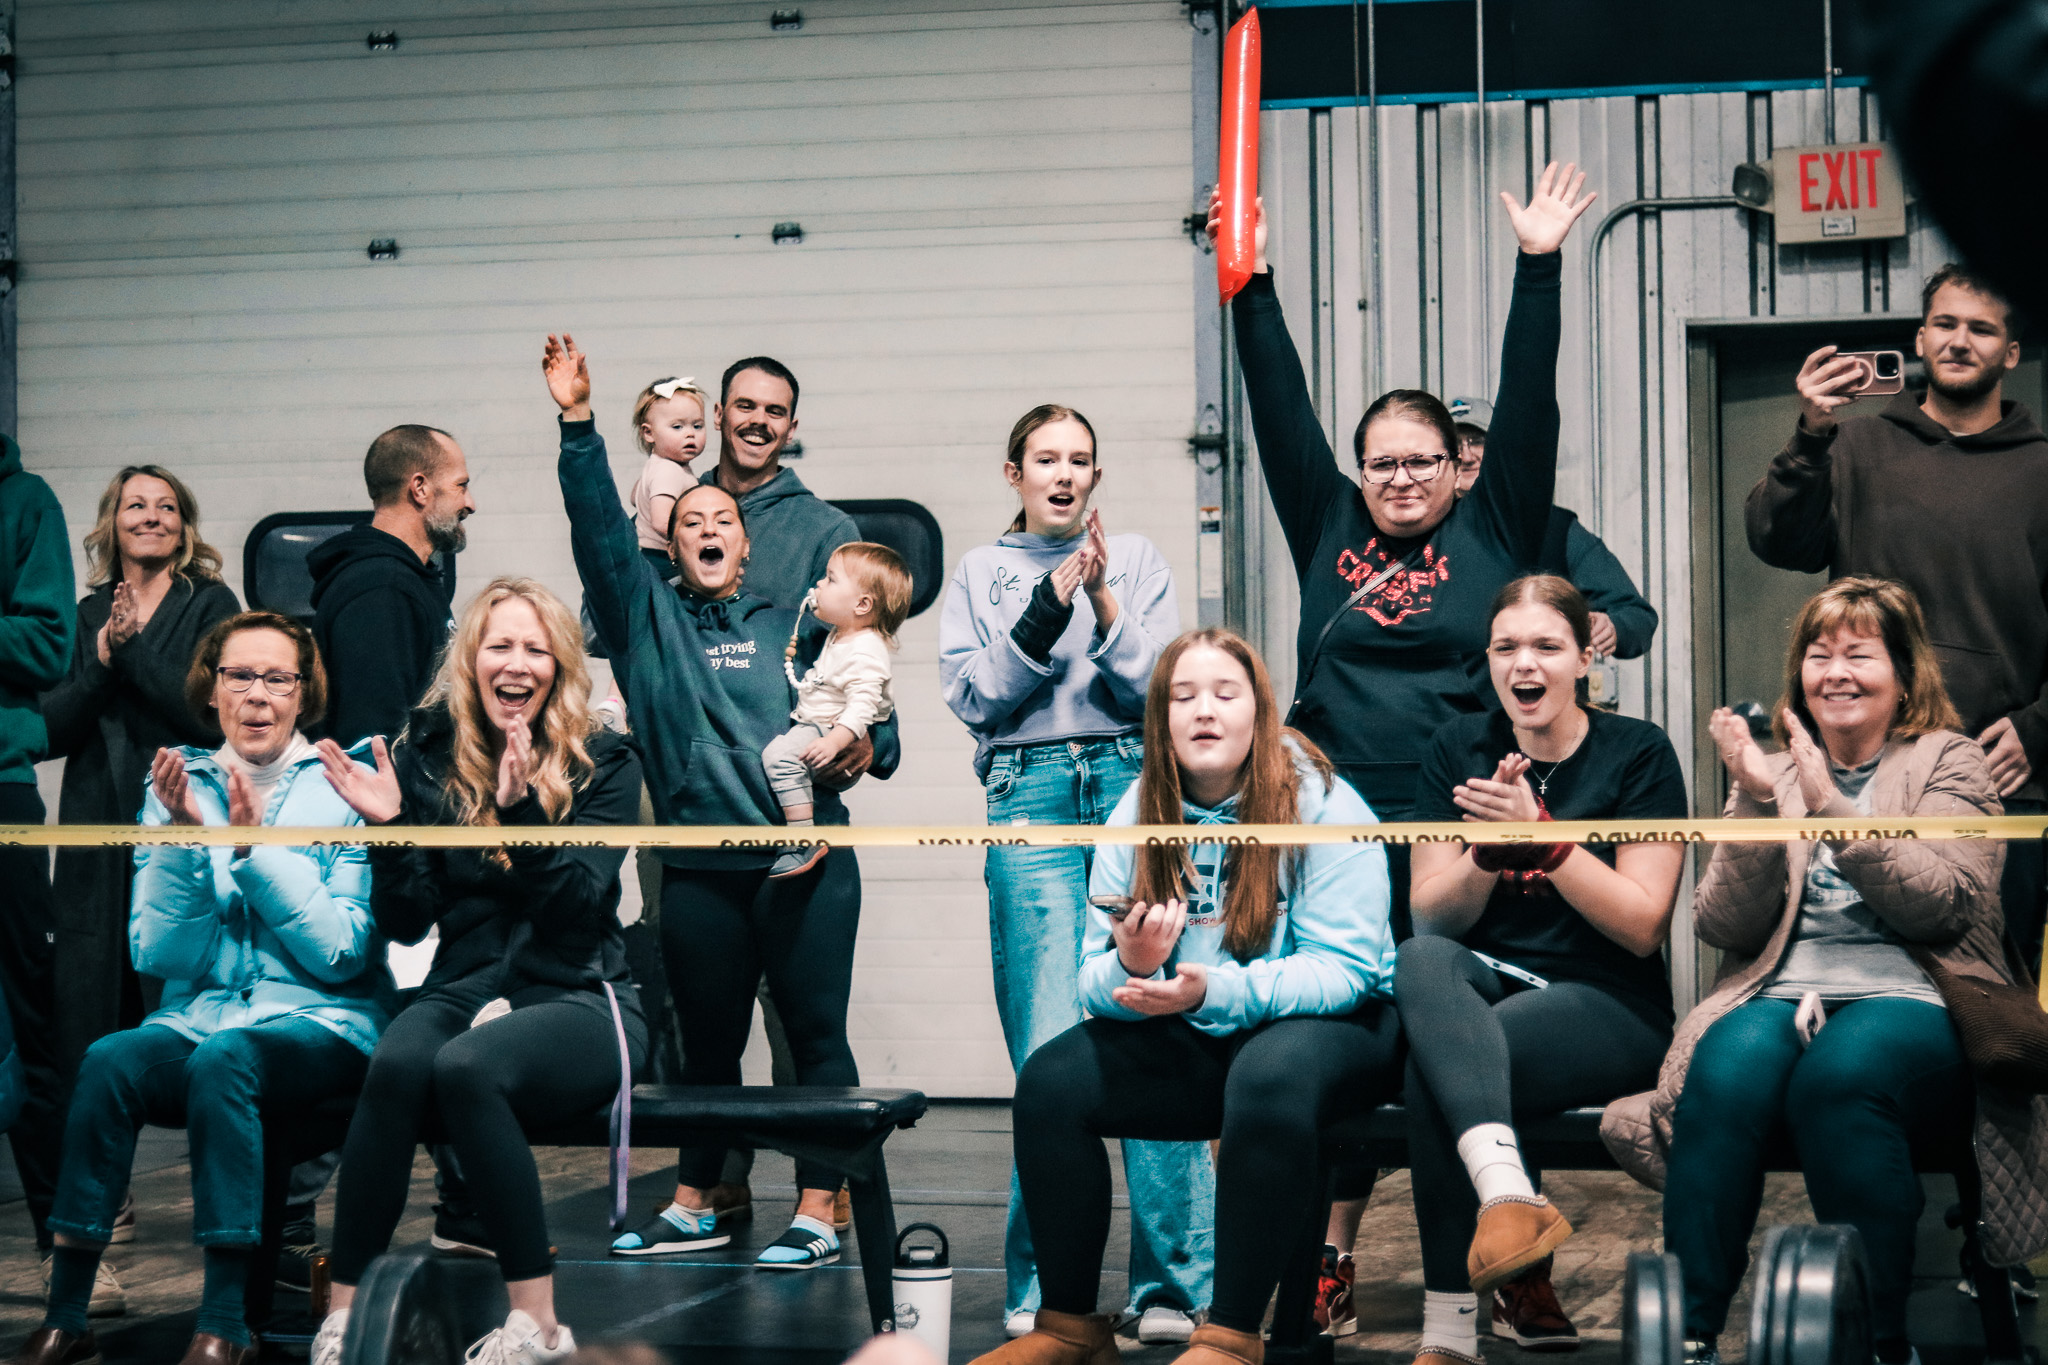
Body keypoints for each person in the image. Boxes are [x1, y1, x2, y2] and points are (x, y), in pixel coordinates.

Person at [1212, 162, 1596, 1324]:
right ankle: (1325, 1265)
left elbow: (1528, 400)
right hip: (1329, 838)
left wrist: (1538, 267)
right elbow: (1276, 401)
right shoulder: (1324, 519)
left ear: (1454, 467)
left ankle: (1509, 1266)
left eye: (1418, 459)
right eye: (1378, 461)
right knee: (1338, 1044)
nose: (1396, 478)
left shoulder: (1496, 522)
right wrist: (1248, 280)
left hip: (1458, 832)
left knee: (1453, 1050)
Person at [1602, 576, 2048, 1365]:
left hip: (1916, 992)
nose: (1836, 672)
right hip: (1783, 988)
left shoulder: (1950, 760)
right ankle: (1691, 1334)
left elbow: (1946, 905)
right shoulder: (1774, 769)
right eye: (1819, 655)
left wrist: (1832, 810)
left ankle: (1877, 1342)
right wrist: (1752, 797)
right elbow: (1722, 924)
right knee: (1723, 1067)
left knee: (1840, 1076)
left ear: (1904, 674)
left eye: (1858, 654)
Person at [546, 334, 893, 1272]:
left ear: (745, 543)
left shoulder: (797, 623)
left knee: (815, 1036)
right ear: (675, 538)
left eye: (723, 521)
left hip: (804, 867)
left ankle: (818, 1207)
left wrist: (867, 743)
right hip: (699, 867)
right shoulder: (647, 617)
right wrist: (578, 423)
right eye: (691, 518)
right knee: (705, 1045)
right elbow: (596, 531)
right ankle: (696, 1201)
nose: (707, 526)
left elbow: (871, 699)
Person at [969, 627, 1400, 1365]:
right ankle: (1068, 1326)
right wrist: (1132, 964)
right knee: (1050, 1083)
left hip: (1337, 1025)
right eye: (1183, 696)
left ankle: (1231, 1333)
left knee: (1265, 1072)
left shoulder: (1323, 801)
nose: (1204, 710)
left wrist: (1210, 992)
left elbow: (1346, 970)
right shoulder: (1139, 808)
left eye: (1225, 694)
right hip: (1204, 1023)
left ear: (1258, 710)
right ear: (1159, 717)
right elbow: (1091, 980)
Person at [10, 612, 388, 1365]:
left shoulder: (343, 784)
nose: (257, 694)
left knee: (227, 1061)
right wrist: (185, 839)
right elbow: (159, 950)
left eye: (277, 678)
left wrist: (251, 851)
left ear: (303, 693)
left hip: (324, 1020)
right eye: (239, 675)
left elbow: (343, 952)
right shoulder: (177, 782)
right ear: (212, 690)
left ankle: (224, 1323)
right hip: (202, 1016)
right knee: (109, 1060)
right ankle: (68, 1312)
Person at [312, 578, 646, 1365]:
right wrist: (391, 829)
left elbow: (575, 906)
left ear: (560, 667)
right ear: (472, 659)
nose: (517, 662)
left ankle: (539, 1323)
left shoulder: (607, 760)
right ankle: (345, 1315)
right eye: (501, 645)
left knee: (466, 1066)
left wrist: (523, 809)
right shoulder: (427, 755)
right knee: (397, 1060)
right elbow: (407, 921)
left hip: (580, 989)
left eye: (536, 648)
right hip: (465, 983)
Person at [938, 405, 1212, 1343]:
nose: (1064, 473)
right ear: (1012, 472)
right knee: (1050, 1047)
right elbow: (975, 696)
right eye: (1046, 458)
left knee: (1158, 1019)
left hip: (1135, 778)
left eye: (1080, 459)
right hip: (1031, 789)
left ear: (1096, 475)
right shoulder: (981, 570)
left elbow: (1160, 693)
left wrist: (1102, 601)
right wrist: (1046, 606)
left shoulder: (1133, 558)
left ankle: (1173, 1288)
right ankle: (1049, 1291)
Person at [1401, 576, 1687, 1362]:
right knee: (1421, 959)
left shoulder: (1638, 751)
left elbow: (1642, 925)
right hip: (1484, 980)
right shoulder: (1456, 748)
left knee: (1438, 1065)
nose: (1524, 663)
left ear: (1585, 658)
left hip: (1608, 1000)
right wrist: (1487, 854)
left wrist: (1546, 837)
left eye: (1546, 646)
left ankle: (1452, 1328)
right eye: (1507, 647)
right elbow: (1432, 915)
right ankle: (1508, 1206)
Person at [1744, 265, 2048, 978]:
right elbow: (1775, 539)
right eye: (1945, 324)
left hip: (1998, 779)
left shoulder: (2042, 470)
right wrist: (1810, 437)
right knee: (1853, 979)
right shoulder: (1854, 445)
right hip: (1858, 776)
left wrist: (2042, 728)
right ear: (1920, 337)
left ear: (2011, 352)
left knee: (1990, 1003)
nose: (1959, 340)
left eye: (1981, 329)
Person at [42, 468, 239, 1087]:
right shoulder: (86, 614)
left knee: (177, 986)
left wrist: (131, 651)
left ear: (183, 526)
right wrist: (101, 662)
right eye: (136, 505)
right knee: (87, 997)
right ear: (113, 523)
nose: (151, 516)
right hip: (95, 825)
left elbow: (208, 715)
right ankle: (93, 1138)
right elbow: (52, 730)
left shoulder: (211, 604)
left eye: (166, 506)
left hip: (181, 821)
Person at [0, 434, 75, 1291]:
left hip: (1, 790)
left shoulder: (24, 501)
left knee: (29, 1017)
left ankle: (66, 1247)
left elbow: (50, 643)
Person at [1448, 398, 1657, 664]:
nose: (1467, 456)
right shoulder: (1424, 532)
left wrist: (1613, 626)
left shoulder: (1555, 529)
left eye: (1477, 441)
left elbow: (1637, 617)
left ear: (1501, 448)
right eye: (1456, 445)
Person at [309, 424, 472, 748]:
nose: (470, 503)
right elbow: (375, 739)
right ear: (420, 488)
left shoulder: (409, 578)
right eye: (461, 486)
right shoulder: (382, 589)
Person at [763, 542, 910, 879]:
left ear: (862, 604)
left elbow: (862, 708)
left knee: (779, 758)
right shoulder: (842, 634)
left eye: (830, 579)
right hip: (818, 722)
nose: (818, 585)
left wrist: (834, 742)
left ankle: (802, 841)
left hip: (830, 728)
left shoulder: (866, 649)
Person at [626, 376, 708, 576]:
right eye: (677, 427)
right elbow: (661, 522)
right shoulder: (669, 470)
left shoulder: (657, 465)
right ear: (649, 433)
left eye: (697, 426)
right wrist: (698, 537)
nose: (690, 434)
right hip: (664, 560)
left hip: (649, 555)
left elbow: (634, 497)